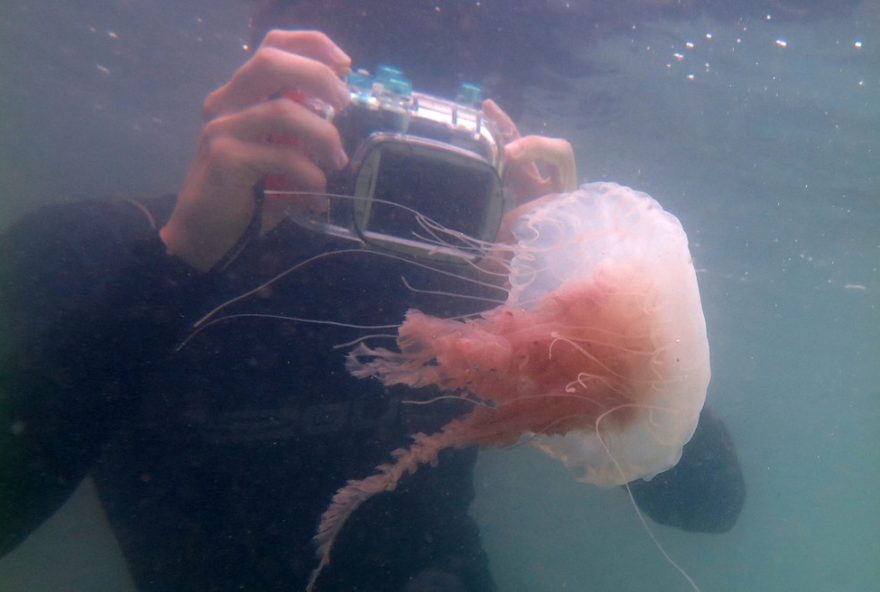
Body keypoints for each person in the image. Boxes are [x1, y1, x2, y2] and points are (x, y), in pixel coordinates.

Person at [0, 6, 744, 592]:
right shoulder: (103, 252)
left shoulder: (490, 286)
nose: (388, 148)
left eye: (435, 115)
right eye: (360, 105)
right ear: (270, 86)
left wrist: (592, 283)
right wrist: (177, 260)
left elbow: (708, 505)